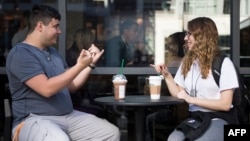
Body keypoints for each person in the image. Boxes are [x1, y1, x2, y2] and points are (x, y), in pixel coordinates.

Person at [6, 4, 120, 141]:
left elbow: (71, 85)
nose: (59, 31)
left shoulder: (53, 52)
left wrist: (90, 64)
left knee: (110, 133)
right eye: (55, 26)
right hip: (33, 119)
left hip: (67, 117)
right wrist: (79, 66)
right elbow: (46, 89)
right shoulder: (21, 54)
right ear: (40, 26)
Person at [151, 17, 238, 141]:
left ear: (202, 36)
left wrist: (191, 99)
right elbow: (179, 93)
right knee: (173, 139)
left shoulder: (224, 63)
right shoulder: (188, 62)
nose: (185, 38)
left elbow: (225, 104)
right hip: (196, 118)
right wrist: (167, 75)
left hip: (220, 118)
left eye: (189, 34)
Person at [145, 32, 186, 141]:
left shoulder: (176, 63)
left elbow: (165, 90)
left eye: (170, 43)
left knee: (150, 118)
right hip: (178, 109)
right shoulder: (182, 62)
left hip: (175, 111)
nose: (168, 46)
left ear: (178, 46)